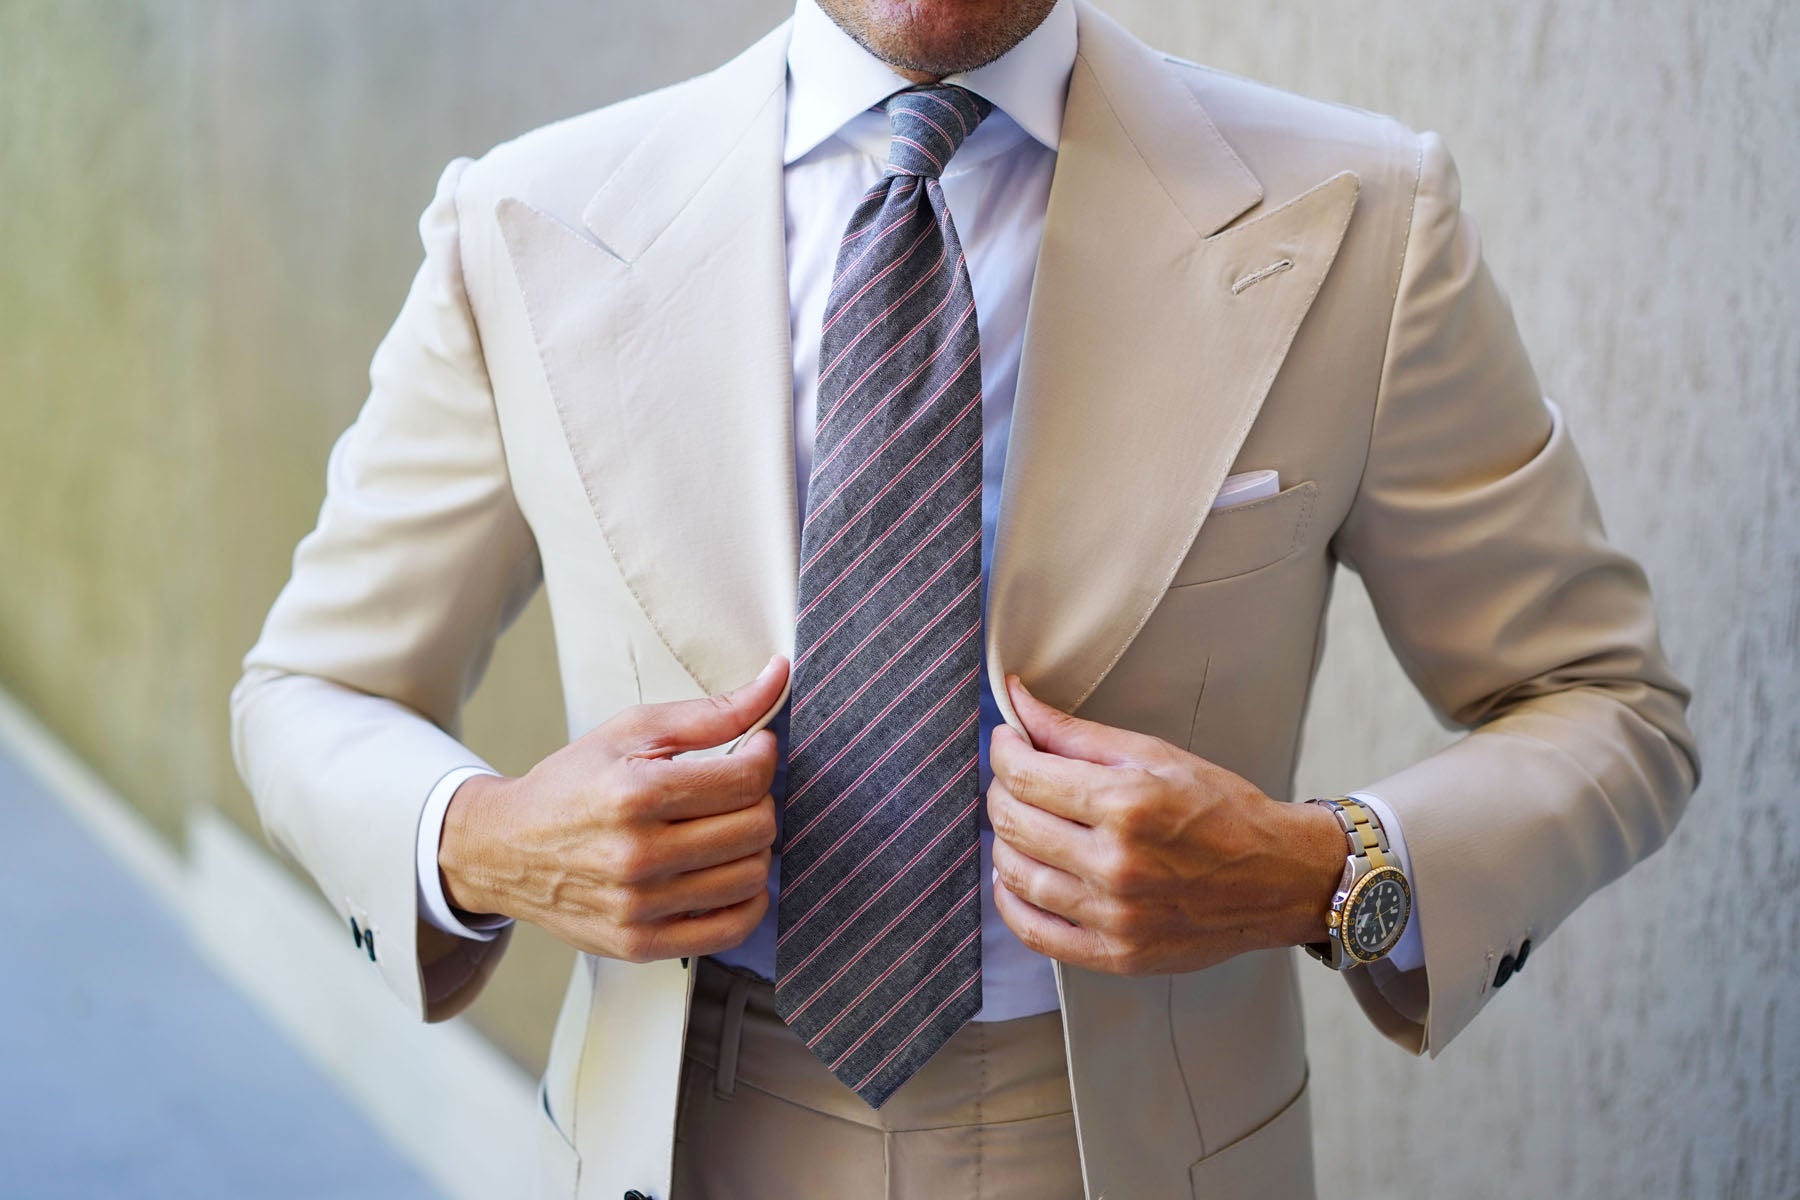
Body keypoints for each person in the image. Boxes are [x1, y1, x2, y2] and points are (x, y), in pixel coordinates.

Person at [229, 0, 1699, 1196]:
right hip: (679, 1136)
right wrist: (481, 840)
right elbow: (309, 692)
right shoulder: (524, 219)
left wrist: (1319, 871)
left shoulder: (1366, 219)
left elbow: (1607, 708)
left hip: (1135, 1151)